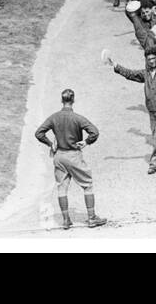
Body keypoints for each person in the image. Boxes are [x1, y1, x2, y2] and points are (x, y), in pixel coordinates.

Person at [34, 88, 107, 229]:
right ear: (73, 100)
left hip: (59, 156)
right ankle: (92, 218)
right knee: (87, 185)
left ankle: (66, 220)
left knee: (62, 189)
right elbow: (94, 132)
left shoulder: (54, 117)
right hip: (74, 155)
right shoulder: (78, 118)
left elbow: (39, 133)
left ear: (62, 100)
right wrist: (86, 142)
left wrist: (50, 144)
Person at [106, 50, 156, 174]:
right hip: (151, 109)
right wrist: (115, 65)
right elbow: (130, 74)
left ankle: (154, 164)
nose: (151, 61)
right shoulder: (145, 74)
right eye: (149, 59)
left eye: (153, 58)